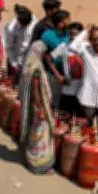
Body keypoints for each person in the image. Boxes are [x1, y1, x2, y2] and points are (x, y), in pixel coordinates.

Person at [18, 41, 57, 174]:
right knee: (40, 135)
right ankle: (39, 164)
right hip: (38, 108)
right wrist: (40, 109)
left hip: (33, 107)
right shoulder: (35, 69)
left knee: (35, 133)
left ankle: (31, 158)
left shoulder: (28, 65)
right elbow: (35, 91)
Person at [69, 26, 98, 130]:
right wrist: (85, 31)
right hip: (88, 99)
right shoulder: (85, 49)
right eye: (94, 39)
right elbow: (72, 46)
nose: (97, 42)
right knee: (86, 130)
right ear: (90, 40)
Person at [42, 10, 73, 107]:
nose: (67, 23)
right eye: (64, 21)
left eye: (68, 20)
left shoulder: (69, 34)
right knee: (54, 99)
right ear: (58, 23)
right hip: (54, 74)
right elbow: (46, 57)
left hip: (69, 74)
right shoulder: (47, 36)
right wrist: (58, 75)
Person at [53, 22, 85, 115]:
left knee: (80, 122)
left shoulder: (86, 49)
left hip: (82, 91)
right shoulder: (64, 46)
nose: (73, 36)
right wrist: (58, 76)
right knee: (64, 118)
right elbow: (49, 58)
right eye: (71, 33)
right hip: (66, 90)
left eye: (76, 34)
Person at [3, 4, 36, 82]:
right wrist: (14, 64)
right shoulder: (11, 28)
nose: (26, 27)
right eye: (23, 25)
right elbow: (9, 47)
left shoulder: (34, 21)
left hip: (31, 58)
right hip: (18, 58)